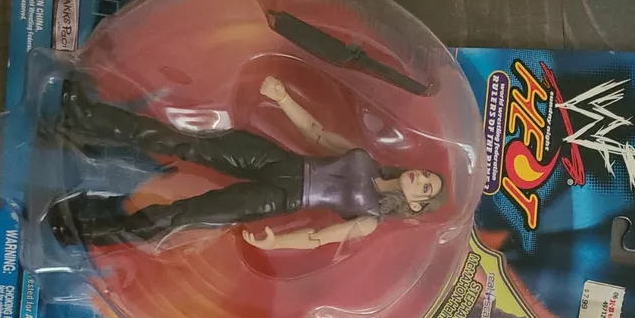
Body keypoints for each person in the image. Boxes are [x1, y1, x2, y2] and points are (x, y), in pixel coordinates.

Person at [45, 75, 447, 251]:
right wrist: (283, 98)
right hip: (277, 159)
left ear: (415, 205)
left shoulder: (370, 217)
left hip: (278, 197)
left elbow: (318, 238)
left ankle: (88, 230)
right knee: (183, 140)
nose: (420, 178)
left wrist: (278, 243)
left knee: (183, 214)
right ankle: (86, 117)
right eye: (427, 175)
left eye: (426, 187)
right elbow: (318, 133)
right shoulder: (368, 160)